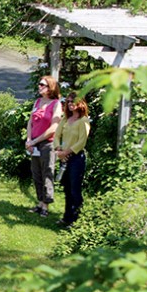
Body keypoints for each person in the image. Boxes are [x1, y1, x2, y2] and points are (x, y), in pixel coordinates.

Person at [26, 76, 63, 217]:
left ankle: (46, 205)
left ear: (50, 88)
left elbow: (54, 127)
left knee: (47, 172)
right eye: (39, 84)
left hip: (47, 143)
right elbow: (31, 122)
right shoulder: (37, 102)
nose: (39, 86)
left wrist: (35, 141)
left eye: (43, 85)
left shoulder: (56, 104)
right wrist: (29, 139)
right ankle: (40, 202)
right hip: (34, 142)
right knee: (36, 173)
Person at [54, 93, 91, 226]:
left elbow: (82, 141)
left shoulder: (83, 121)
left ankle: (77, 219)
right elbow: (57, 135)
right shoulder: (65, 119)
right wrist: (59, 150)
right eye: (68, 101)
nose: (70, 104)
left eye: (73, 101)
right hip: (64, 158)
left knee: (75, 189)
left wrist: (66, 152)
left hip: (76, 158)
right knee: (67, 188)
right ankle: (67, 217)